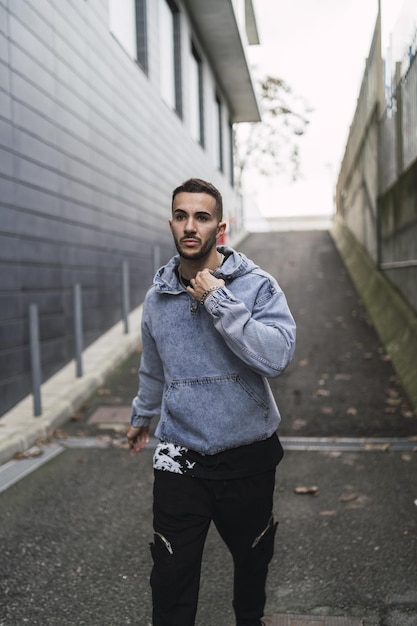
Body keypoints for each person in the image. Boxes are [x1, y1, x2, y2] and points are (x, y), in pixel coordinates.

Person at [127, 178, 296, 626]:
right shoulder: (157, 296)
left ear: (219, 228)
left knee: (252, 564)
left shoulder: (257, 286)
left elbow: (276, 356)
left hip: (248, 454)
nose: (190, 226)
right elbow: (154, 367)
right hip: (180, 455)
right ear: (171, 223)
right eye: (181, 216)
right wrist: (143, 414)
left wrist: (218, 300)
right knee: (170, 576)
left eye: (201, 217)